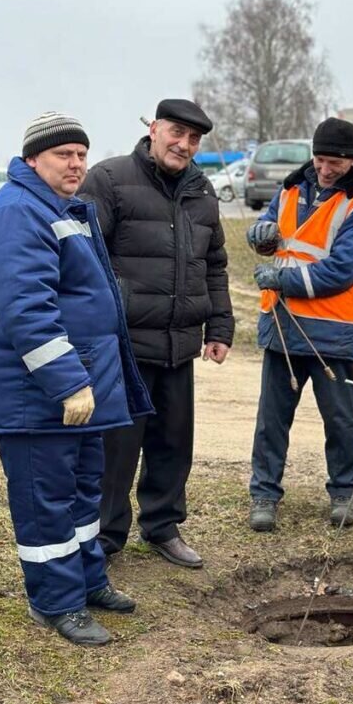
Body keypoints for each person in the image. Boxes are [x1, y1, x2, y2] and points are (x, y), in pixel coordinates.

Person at [0, 112, 154, 647]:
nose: (76, 164)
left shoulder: (61, 208)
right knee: (45, 501)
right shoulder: (15, 213)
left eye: (81, 154)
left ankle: (88, 581)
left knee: (80, 495)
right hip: (40, 398)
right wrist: (67, 381)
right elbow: (26, 310)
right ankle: (55, 603)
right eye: (62, 155)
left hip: (77, 394)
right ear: (33, 160)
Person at [77, 99, 234, 569]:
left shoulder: (202, 192)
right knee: (117, 448)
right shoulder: (108, 180)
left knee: (172, 442)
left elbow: (215, 264)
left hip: (179, 346)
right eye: (176, 133)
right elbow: (83, 259)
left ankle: (162, 526)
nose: (184, 145)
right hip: (124, 348)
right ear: (154, 129)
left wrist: (220, 325)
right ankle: (105, 535)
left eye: (194, 139)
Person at [246, 117, 353, 532]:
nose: (324, 169)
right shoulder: (291, 188)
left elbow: (342, 270)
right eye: (320, 160)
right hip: (283, 328)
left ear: (352, 160)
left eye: (334, 163)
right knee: (271, 421)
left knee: (339, 420)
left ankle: (343, 493)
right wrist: (260, 235)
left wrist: (282, 280)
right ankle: (263, 496)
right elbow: (269, 231)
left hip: (332, 332)